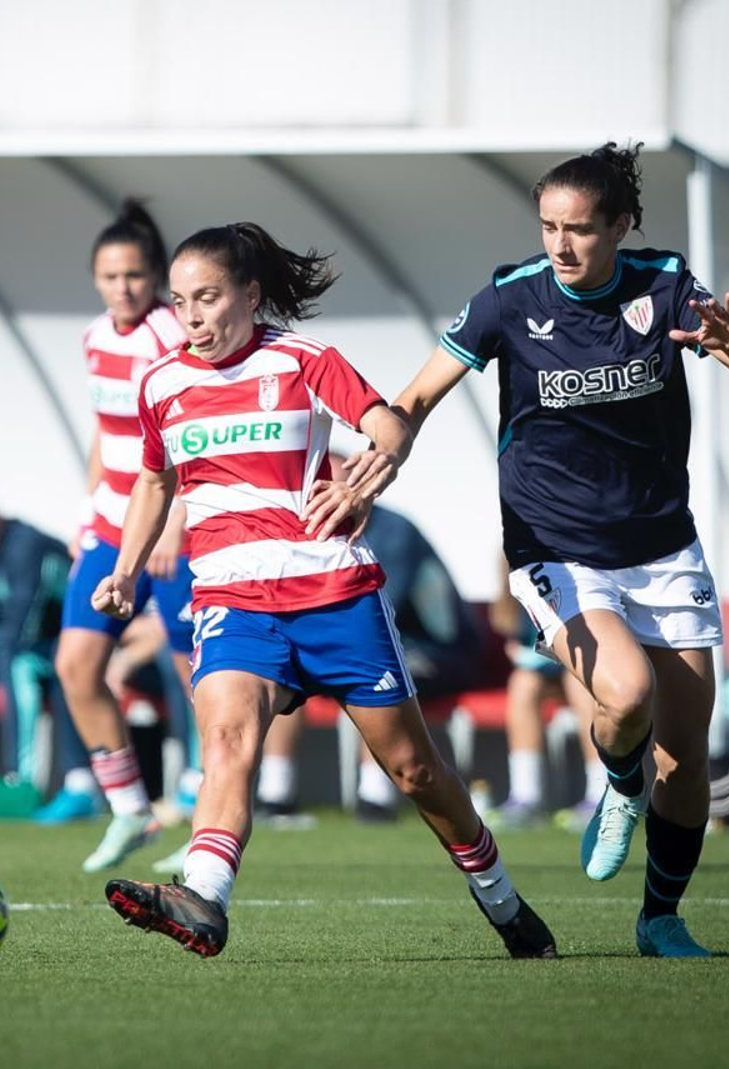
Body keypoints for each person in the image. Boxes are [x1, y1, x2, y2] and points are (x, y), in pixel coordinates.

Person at [95, 222, 557, 960]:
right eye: (179, 302)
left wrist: (368, 476)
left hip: (334, 594)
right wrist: (127, 567)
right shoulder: (161, 383)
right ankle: (204, 896)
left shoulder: (304, 359)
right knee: (226, 739)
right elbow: (155, 480)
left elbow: (388, 426)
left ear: (250, 295)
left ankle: (502, 899)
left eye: (207, 297)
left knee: (415, 771)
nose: (192, 317)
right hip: (232, 600)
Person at [373, 142, 729, 958]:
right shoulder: (509, 298)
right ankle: (619, 785)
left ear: (621, 226)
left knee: (686, 757)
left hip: (662, 544)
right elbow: (413, 396)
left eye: (581, 229)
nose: (561, 245)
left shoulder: (667, 284)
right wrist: (379, 458)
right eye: (549, 226)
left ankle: (660, 917)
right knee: (625, 695)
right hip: (554, 544)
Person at [53, 199, 200, 873]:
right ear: (94, 278)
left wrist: (176, 522)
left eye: (135, 275)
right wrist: (88, 507)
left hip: (174, 530)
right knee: (76, 667)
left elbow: (191, 433)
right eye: (111, 277)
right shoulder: (93, 338)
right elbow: (105, 428)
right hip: (110, 526)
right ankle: (130, 809)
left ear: (156, 277)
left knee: (202, 683)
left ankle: (210, 822)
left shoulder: (171, 334)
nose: (123, 288)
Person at [257, 467, 484, 823]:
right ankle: (275, 794)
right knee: (285, 672)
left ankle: (375, 797)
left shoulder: (393, 529)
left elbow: (381, 608)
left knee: (374, 671)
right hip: (353, 641)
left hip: (437, 650)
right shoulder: (304, 526)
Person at [0, 473, 90, 813]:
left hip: (75, 645)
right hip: (39, 648)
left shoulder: (24, 545)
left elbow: (21, 626)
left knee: (15, 659)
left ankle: (24, 782)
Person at [486, 574, 604, 831]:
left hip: (592, 664)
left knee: (579, 685)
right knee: (523, 683)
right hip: (546, 669)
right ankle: (526, 797)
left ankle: (601, 796)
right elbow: (517, 639)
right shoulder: (519, 577)